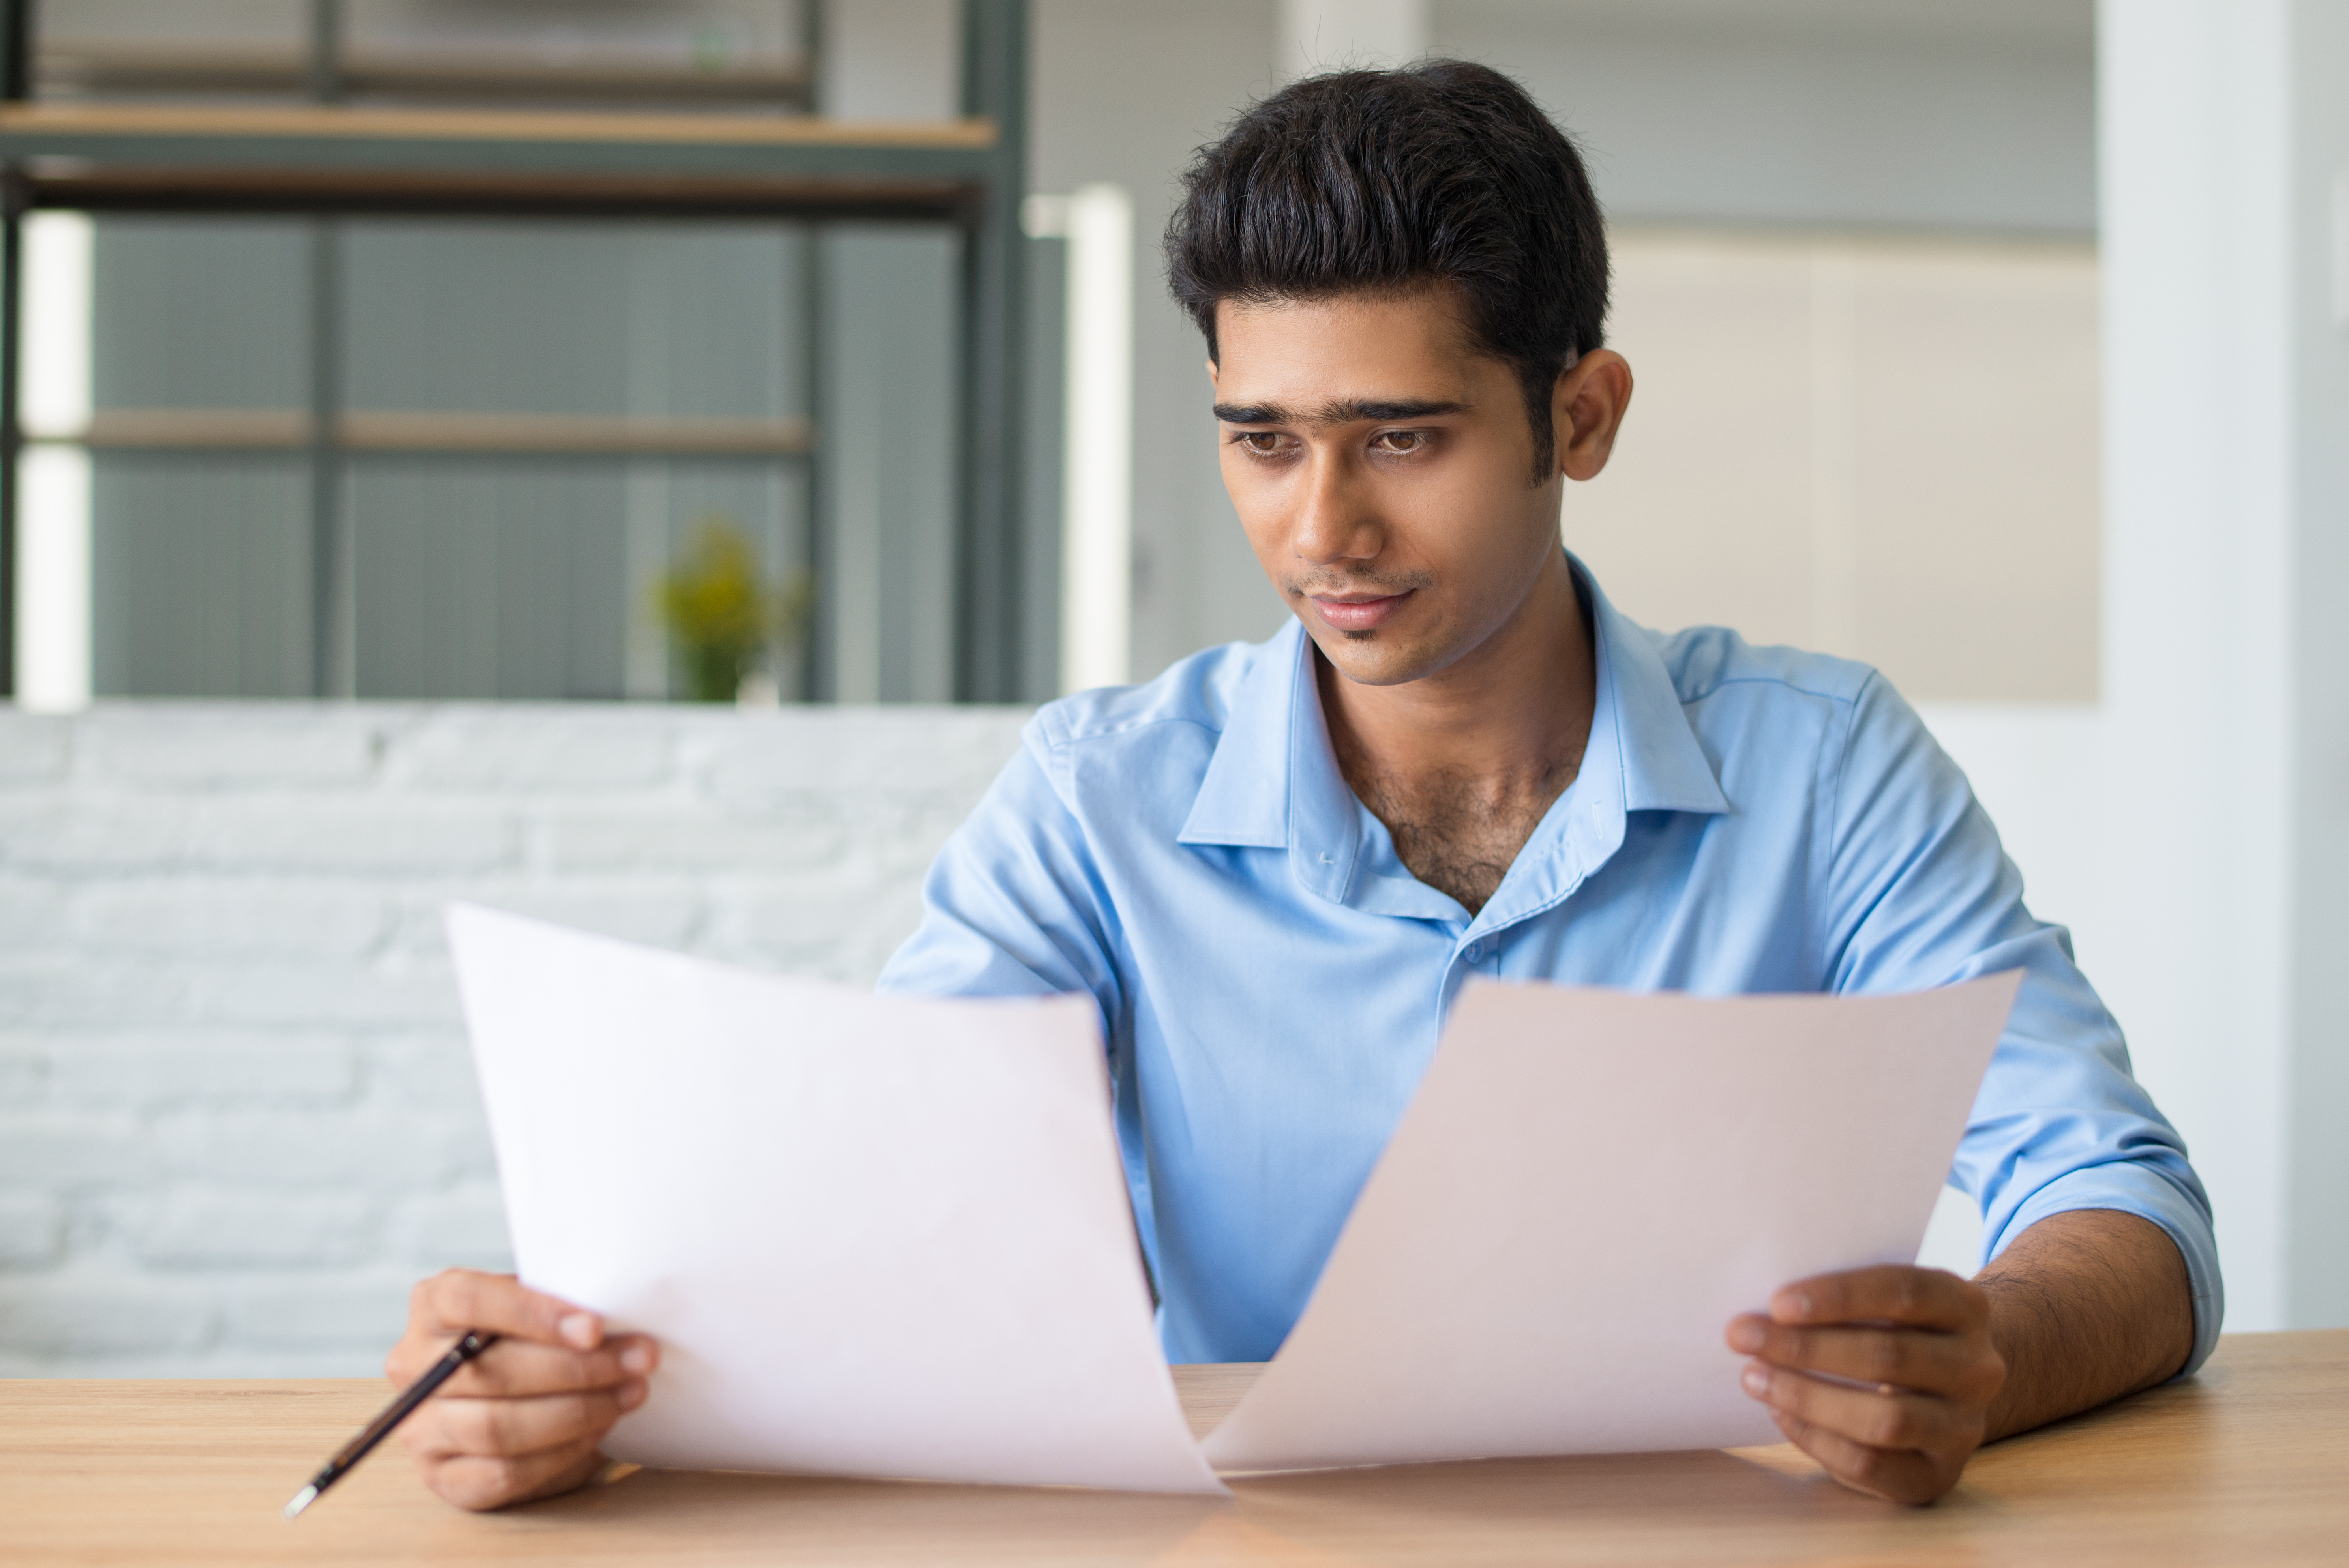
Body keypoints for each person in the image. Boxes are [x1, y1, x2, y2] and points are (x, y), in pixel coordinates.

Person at [388, 61, 2218, 1511]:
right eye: (1261, 441)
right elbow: (894, 1231)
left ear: (1578, 418)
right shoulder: (1099, 801)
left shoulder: (1826, 772)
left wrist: (1980, 1349)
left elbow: (2123, 1200)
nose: (1321, 529)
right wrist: (587, 1378)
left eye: (1401, 440)